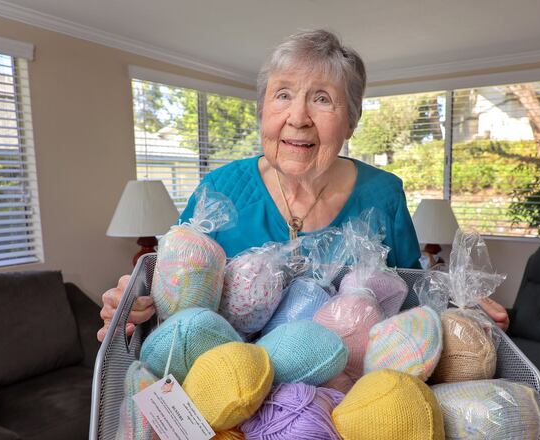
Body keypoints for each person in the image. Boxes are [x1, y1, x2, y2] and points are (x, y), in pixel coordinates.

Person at [97, 30, 509, 342]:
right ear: (262, 112)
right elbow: (175, 294)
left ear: (351, 120)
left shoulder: (384, 194)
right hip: (225, 396)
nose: (298, 117)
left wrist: (460, 311)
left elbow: (411, 300)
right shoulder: (219, 189)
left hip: (349, 403)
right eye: (283, 95)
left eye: (323, 99)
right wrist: (135, 305)